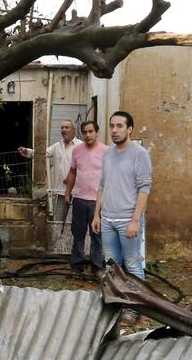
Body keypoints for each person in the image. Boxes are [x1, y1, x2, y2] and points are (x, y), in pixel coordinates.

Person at [93, 110, 151, 280]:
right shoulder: (108, 154)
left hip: (127, 220)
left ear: (129, 129)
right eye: (111, 126)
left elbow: (144, 188)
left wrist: (135, 220)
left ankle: (138, 304)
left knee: (132, 264)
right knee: (111, 265)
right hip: (107, 220)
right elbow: (102, 185)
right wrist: (97, 215)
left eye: (119, 126)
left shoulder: (140, 154)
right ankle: (118, 300)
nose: (114, 130)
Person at [63, 120, 107, 273]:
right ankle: (77, 264)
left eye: (91, 132)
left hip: (97, 201)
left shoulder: (106, 152)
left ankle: (96, 265)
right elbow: (72, 172)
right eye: (85, 132)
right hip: (80, 199)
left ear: (97, 132)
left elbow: (111, 177)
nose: (88, 135)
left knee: (97, 235)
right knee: (78, 233)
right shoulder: (77, 150)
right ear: (81, 133)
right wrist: (68, 192)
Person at [18, 119, 76, 227]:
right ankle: (58, 244)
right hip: (59, 192)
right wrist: (27, 152)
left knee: (73, 223)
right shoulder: (57, 146)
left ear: (73, 131)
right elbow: (41, 153)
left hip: (76, 193)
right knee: (58, 223)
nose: (63, 130)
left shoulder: (80, 146)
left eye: (66, 127)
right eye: (62, 127)